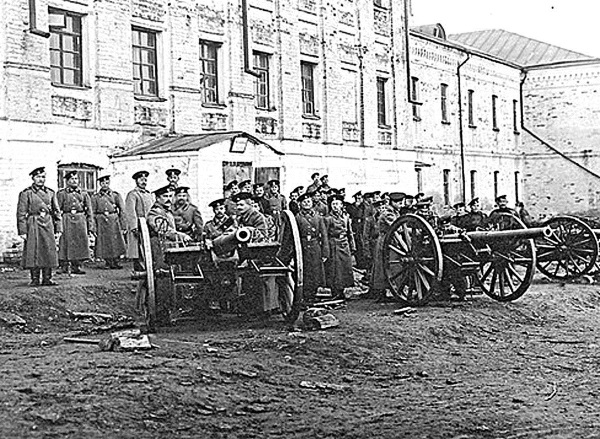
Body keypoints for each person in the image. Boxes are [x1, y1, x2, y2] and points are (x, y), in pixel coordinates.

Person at [17, 167, 62, 286]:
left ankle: (47, 278)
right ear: (33, 178)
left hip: (48, 223)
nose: (41, 179)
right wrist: (23, 231)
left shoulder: (50, 193)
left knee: (48, 250)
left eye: (43, 177)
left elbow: (56, 212)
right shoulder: (26, 193)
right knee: (34, 251)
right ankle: (35, 279)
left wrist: (58, 228)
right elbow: (21, 213)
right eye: (38, 177)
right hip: (33, 224)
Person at [56, 170, 94, 274]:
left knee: (79, 242)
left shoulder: (84, 194)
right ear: (67, 181)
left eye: (76, 178)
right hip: (66, 219)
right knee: (65, 242)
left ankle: (76, 266)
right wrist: (57, 225)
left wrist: (90, 226)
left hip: (80, 219)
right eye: (71, 179)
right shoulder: (62, 194)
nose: (74, 181)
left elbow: (89, 210)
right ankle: (63, 265)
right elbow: (57, 209)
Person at [295, 192, 329, 303]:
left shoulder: (318, 217)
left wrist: (325, 252)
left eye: (308, 201)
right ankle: (305, 296)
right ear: (300, 204)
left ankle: (313, 294)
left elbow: (324, 235)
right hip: (303, 248)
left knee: (315, 271)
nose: (306, 203)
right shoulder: (297, 217)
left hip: (315, 247)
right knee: (305, 272)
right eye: (304, 202)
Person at [369, 192, 404, 301]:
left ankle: (391, 291)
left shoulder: (394, 212)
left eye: (401, 203)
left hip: (392, 240)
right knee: (387, 266)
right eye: (399, 203)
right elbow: (398, 227)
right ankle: (382, 293)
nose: (401, 205)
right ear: (393, 202)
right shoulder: (388, 214)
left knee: (389, 266)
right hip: (386, 242)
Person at [90, 174, 126, 269]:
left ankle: (116, 261)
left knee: (115, 241)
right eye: (103, 183)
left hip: (113, 220)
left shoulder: (115, 195)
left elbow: (122, 210)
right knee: (104, 241)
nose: (105, 184)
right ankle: (108, 262)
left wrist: (123, 224)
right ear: (100, 184)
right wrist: (93, 226)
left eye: (107, 182)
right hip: (101, 221)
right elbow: (92, 212)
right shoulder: (95, 197)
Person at [324, 194, 355, 301]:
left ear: (341, 205)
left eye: (337, 204)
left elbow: (350, 232)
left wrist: (352, 246)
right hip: (334, 244)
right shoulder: (328, 219)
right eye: (333, 204)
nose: (335, 206)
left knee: (345, 268)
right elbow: (325, 235)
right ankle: (335, 292)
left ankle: (342, 291)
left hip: (344, 244)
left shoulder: (346, 217)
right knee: (335, 270)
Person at [125, 170, 154, 270]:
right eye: (141, 180)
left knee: (148, 247)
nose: (143, 182)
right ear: (136, 181)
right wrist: (134, 227)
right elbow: (130, 212)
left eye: (145, 180)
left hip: (148, 225)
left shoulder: (149, 194)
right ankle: (139, 269)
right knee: (137, 248)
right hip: (138, 225)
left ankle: (148, 268)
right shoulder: (132, 194)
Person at [346, 191, 367, 269]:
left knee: (363, 245)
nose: (359, 199)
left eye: (360, 198)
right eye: (357, 198)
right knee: (357, 245)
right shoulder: (351, 207)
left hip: (362, 226)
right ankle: (359, 263)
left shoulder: (364, 206)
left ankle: (364, 263)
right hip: (355, 227)